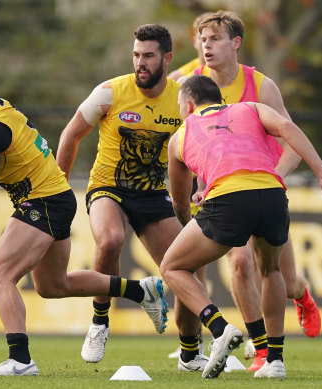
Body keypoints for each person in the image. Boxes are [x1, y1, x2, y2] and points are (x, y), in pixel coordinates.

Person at [0, 56, 168, 376]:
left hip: (43, 201)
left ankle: (20, 360)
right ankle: (140, 290)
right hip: (54, 198)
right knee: (53, 286)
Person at [162, 74, 322, 379]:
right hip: (273, 193)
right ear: (221, 101)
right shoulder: (250, 107)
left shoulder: (180, 136)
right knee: (271, 271)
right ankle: (274, 360)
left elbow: (181, 202)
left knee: (172, 267)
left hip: (228, 201)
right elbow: (289, 129)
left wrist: (189, 225)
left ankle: (219, 327)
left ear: (188, 105)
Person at [56, 24, 207, 372]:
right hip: (108, 187)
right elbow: (71, 134)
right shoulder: (110, 91)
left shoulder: (184, 99)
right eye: (136, 55)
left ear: (167, 59)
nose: (141, 62)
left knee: (186, 269)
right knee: (110, 240)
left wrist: (204, 184)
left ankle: (189, 354)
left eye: (148, 56)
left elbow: (200, 146)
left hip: (154, 195)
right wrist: (59, 188)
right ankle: (99, 322)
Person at [179, 10, 322, 371]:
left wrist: (270, 174)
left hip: (263, 185)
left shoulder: (261, 86)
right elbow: (195, 145)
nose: (205, 45)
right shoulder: (189, 84)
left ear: (236, 43)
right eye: (202, 39)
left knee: (283, 282)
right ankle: (264, 350)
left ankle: (301, 295)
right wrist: (199, 185)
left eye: (214, 39)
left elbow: (292, 139)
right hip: (226, 193)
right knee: (240, 263)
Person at [167, 12, 212, 81]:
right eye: (203, 39)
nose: (208, 44)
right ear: (194, 42)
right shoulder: (177, 79)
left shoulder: (234, 73)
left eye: (215, 38)